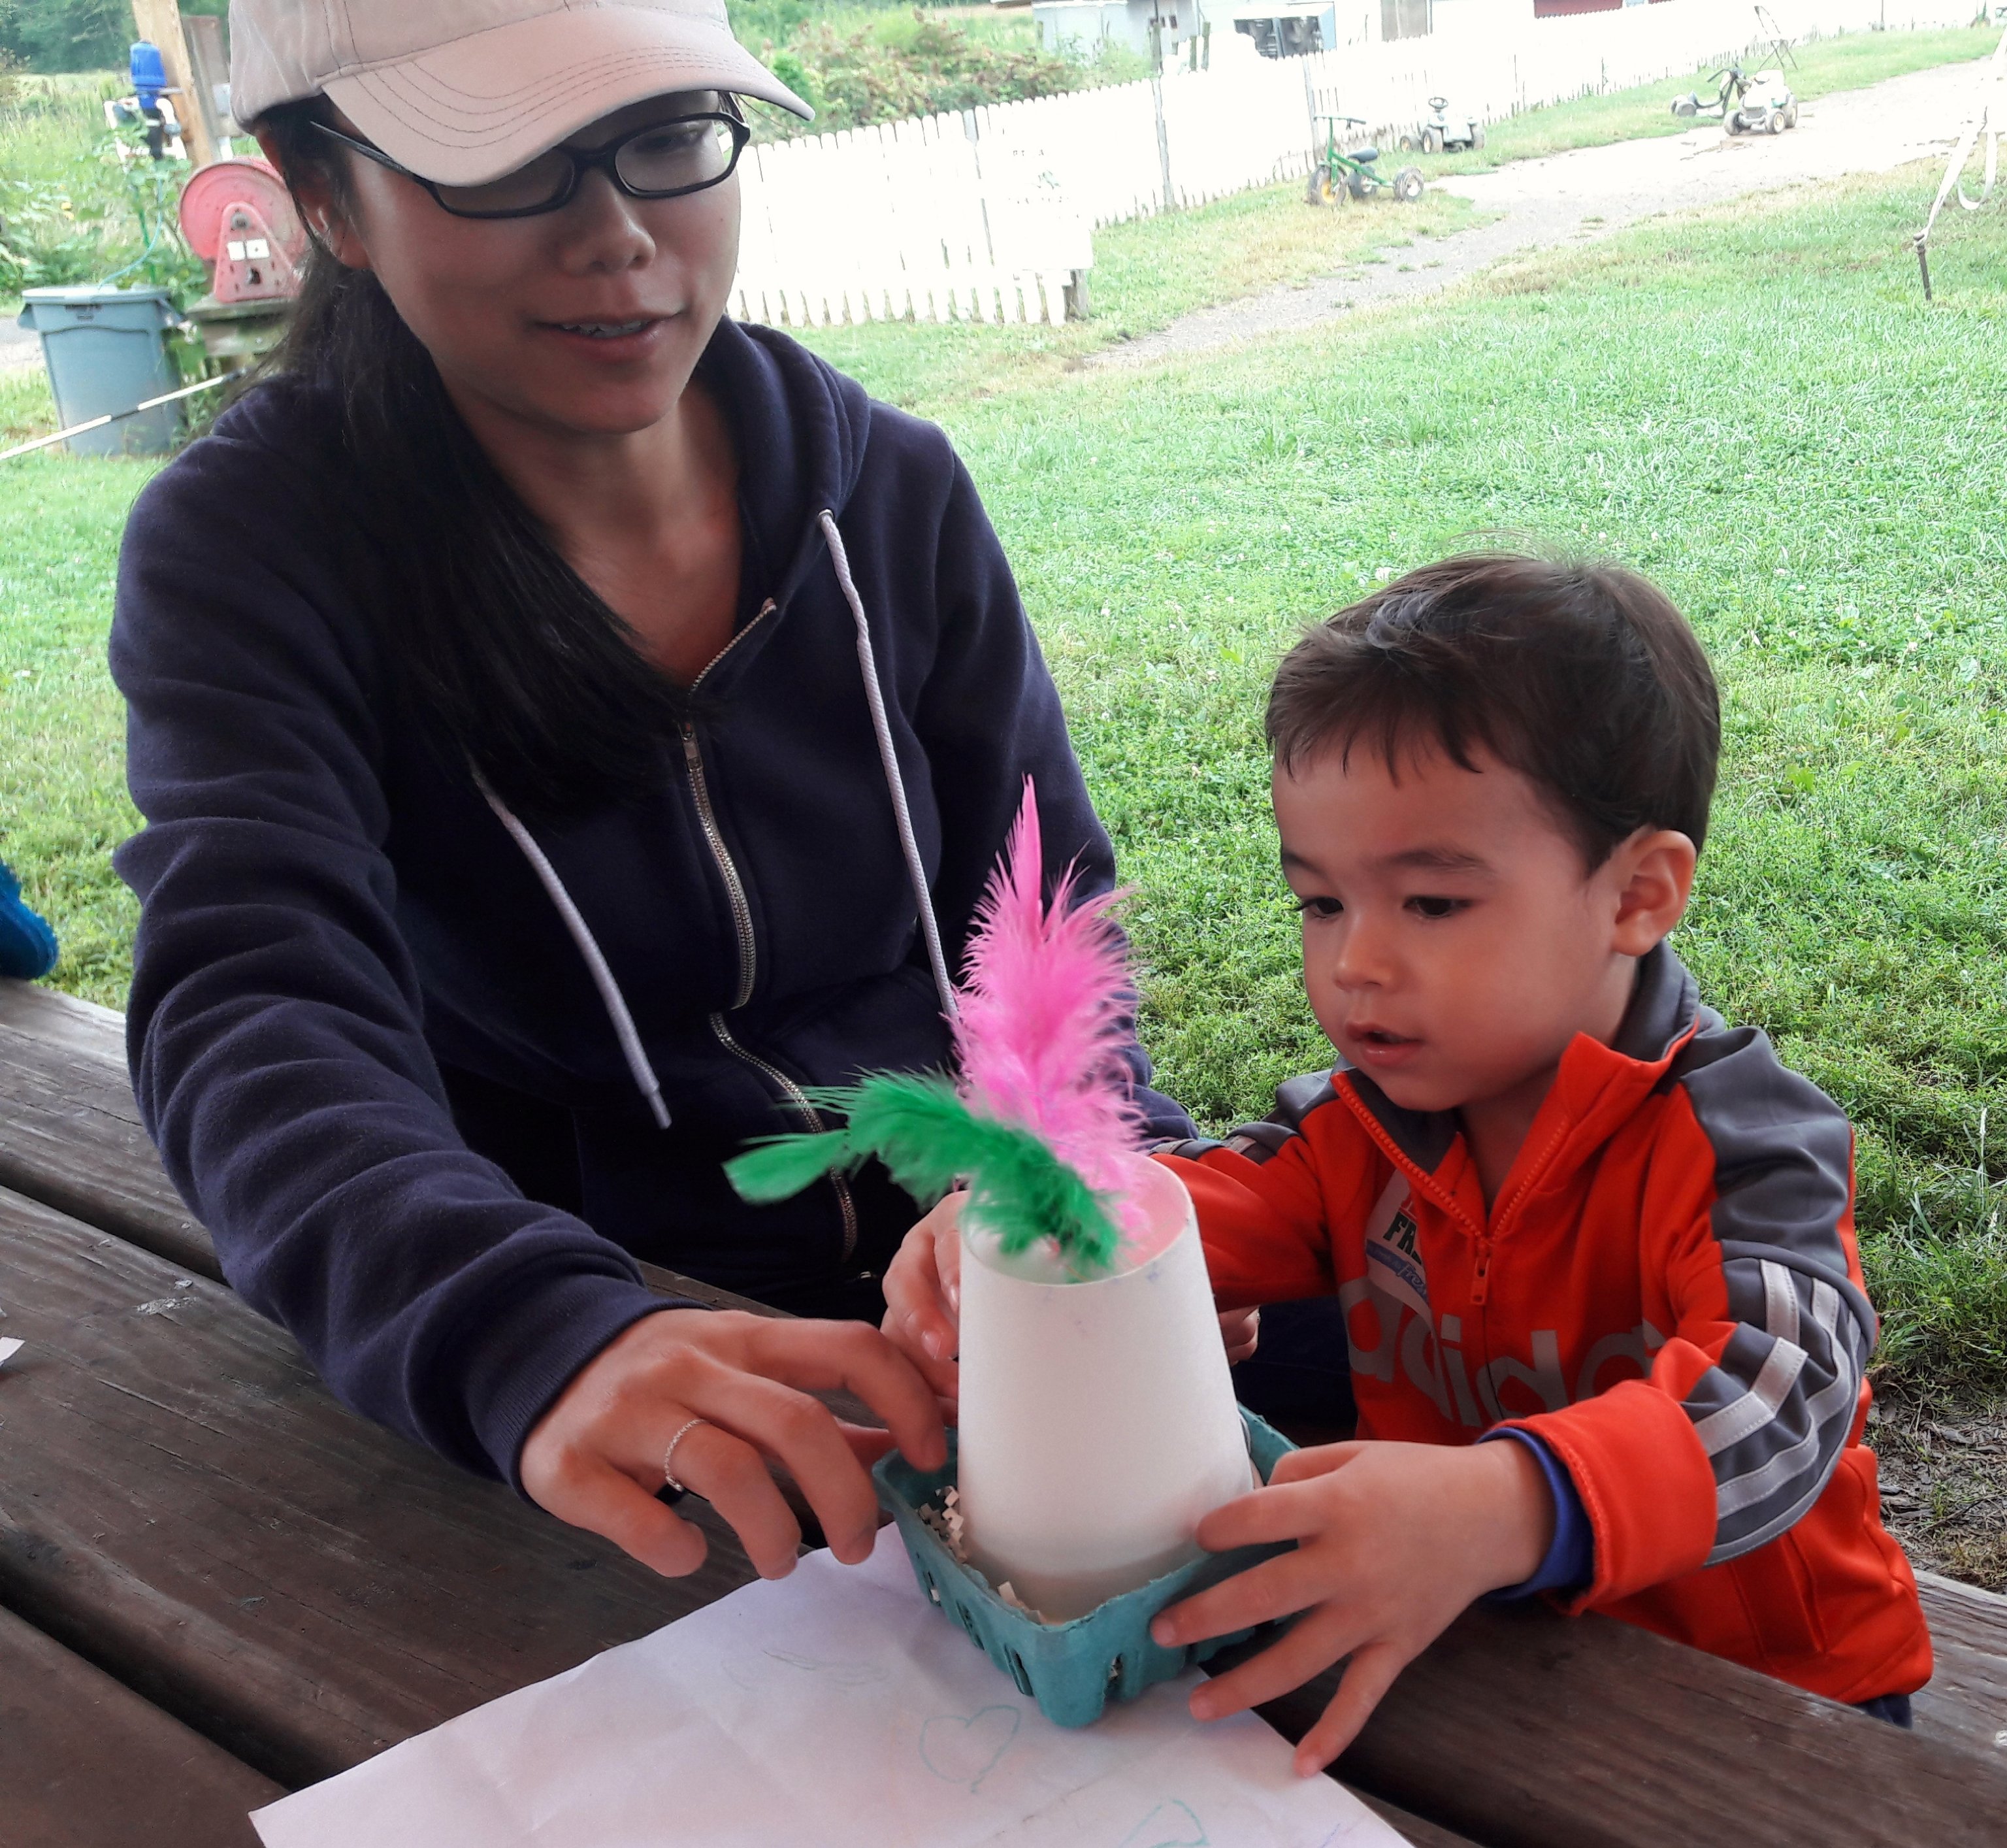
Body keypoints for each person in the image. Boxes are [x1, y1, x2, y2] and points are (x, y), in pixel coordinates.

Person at [109, 0, 1196, 1590]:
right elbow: (253, 1002)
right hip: (627, 1356)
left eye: (665, 136)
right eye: (509, 166)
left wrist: (1071, 1184)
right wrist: (529, 1330)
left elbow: (1041, 918)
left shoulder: (890, 493)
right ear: (323, 194)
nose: (617, 236)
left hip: (970, 1310)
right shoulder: (258, 556)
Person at [885, 554, 1932, 1772]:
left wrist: (1512, 1505)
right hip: (1468, 1638)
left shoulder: (1742, 1148)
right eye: (1320, 904)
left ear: (1640, 895)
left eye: (1430, 904)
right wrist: (1046, 1210)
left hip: (1768, 1697)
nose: (1356, 966)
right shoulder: (1358, 1123)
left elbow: (1783, 1402)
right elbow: (1202, 1197)